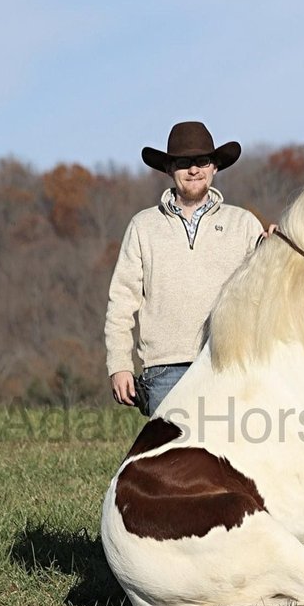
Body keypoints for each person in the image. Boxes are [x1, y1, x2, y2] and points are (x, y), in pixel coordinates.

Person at [105, 121, 265, 416]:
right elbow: (121, 302)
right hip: (164, 371)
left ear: (214, 167)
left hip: (229, 364)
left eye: (202, 161)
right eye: (184, 163)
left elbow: (269, 290)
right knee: (173, 462)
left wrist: (275, 249)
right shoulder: (144, 226)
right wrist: (119, 365)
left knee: (230, 458)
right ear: (169, 169)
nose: (194, 170)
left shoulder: (244, 224)